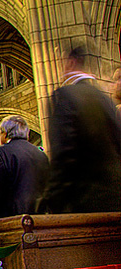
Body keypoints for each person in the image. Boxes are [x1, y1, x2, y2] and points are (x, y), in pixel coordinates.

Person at [44, 45, 121, 213]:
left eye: (63, 62)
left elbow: (64, 156)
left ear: (71, 62)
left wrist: (52, 204)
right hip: (114, 201)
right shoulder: (103, 98)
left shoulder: (65, 96)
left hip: (84, 203)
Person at [0, 115, 50, 220]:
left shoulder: (0, 153)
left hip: (13, 219)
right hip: (40, 218)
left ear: (5, 134)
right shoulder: (41, 155)